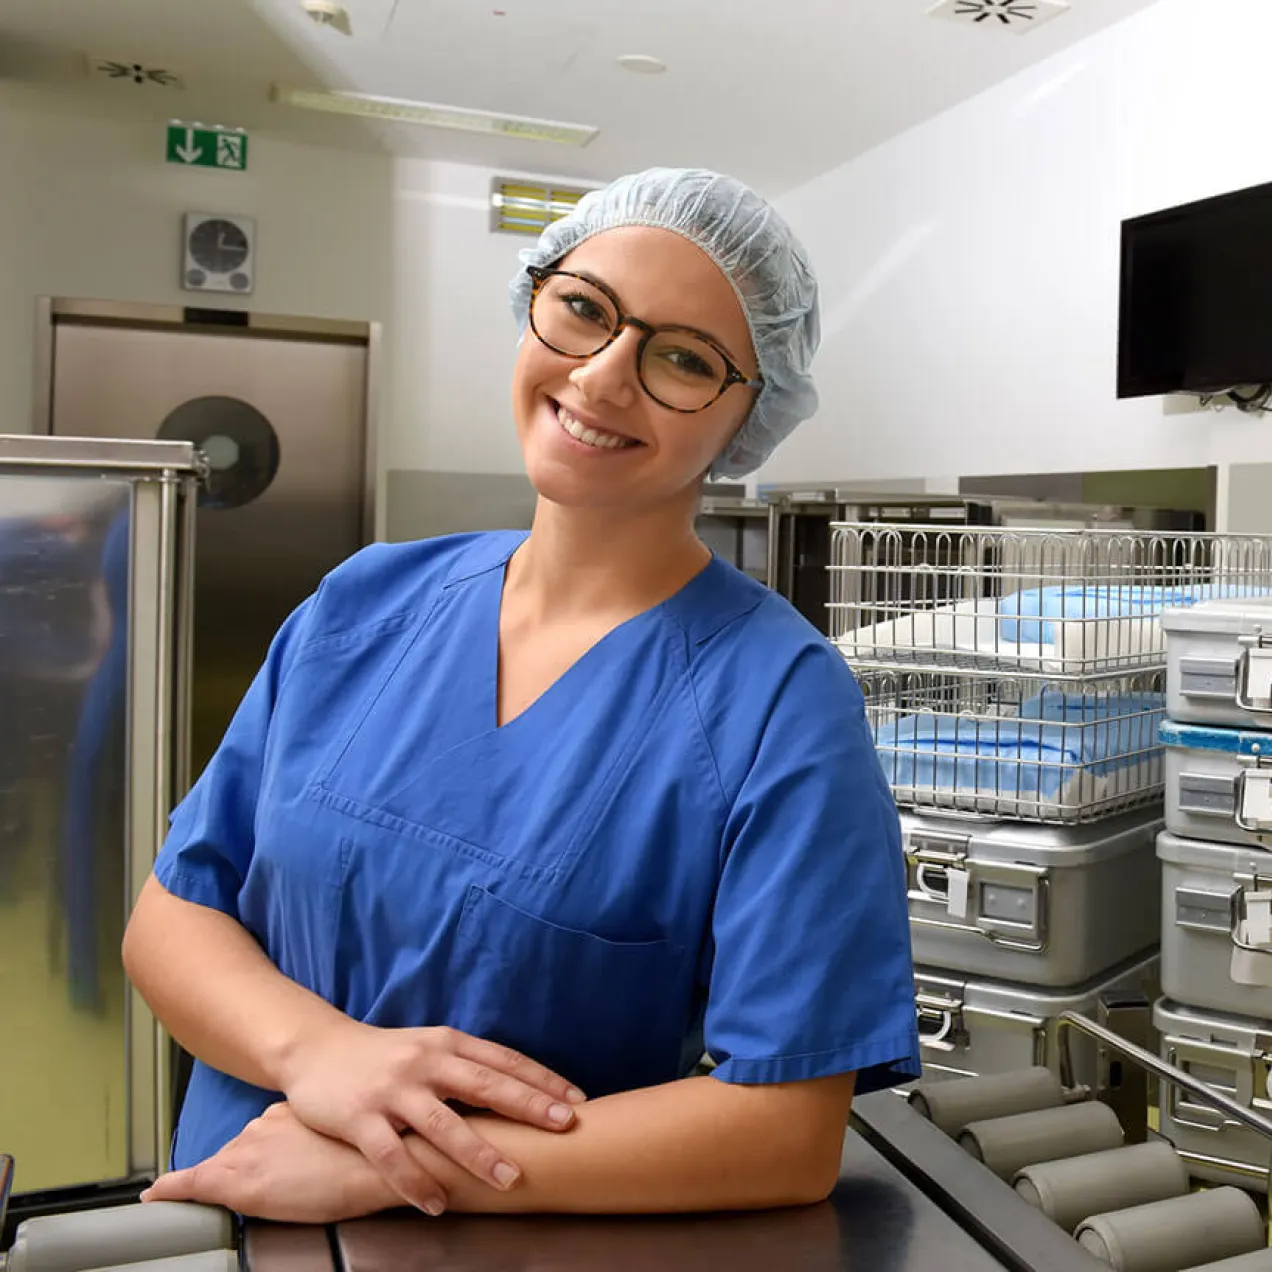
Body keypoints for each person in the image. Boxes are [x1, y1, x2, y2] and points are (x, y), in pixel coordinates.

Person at [124, 167, 920, 1224]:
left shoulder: (779, 702)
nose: (603, 376)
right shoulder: (363, 604)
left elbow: (787, 1134)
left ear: (747, 419)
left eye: (684, 358)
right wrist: (323, 1056)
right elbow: (173, 915)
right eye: (584, 309)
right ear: (532, 303)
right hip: (224, 1214)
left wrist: (397, 1164)